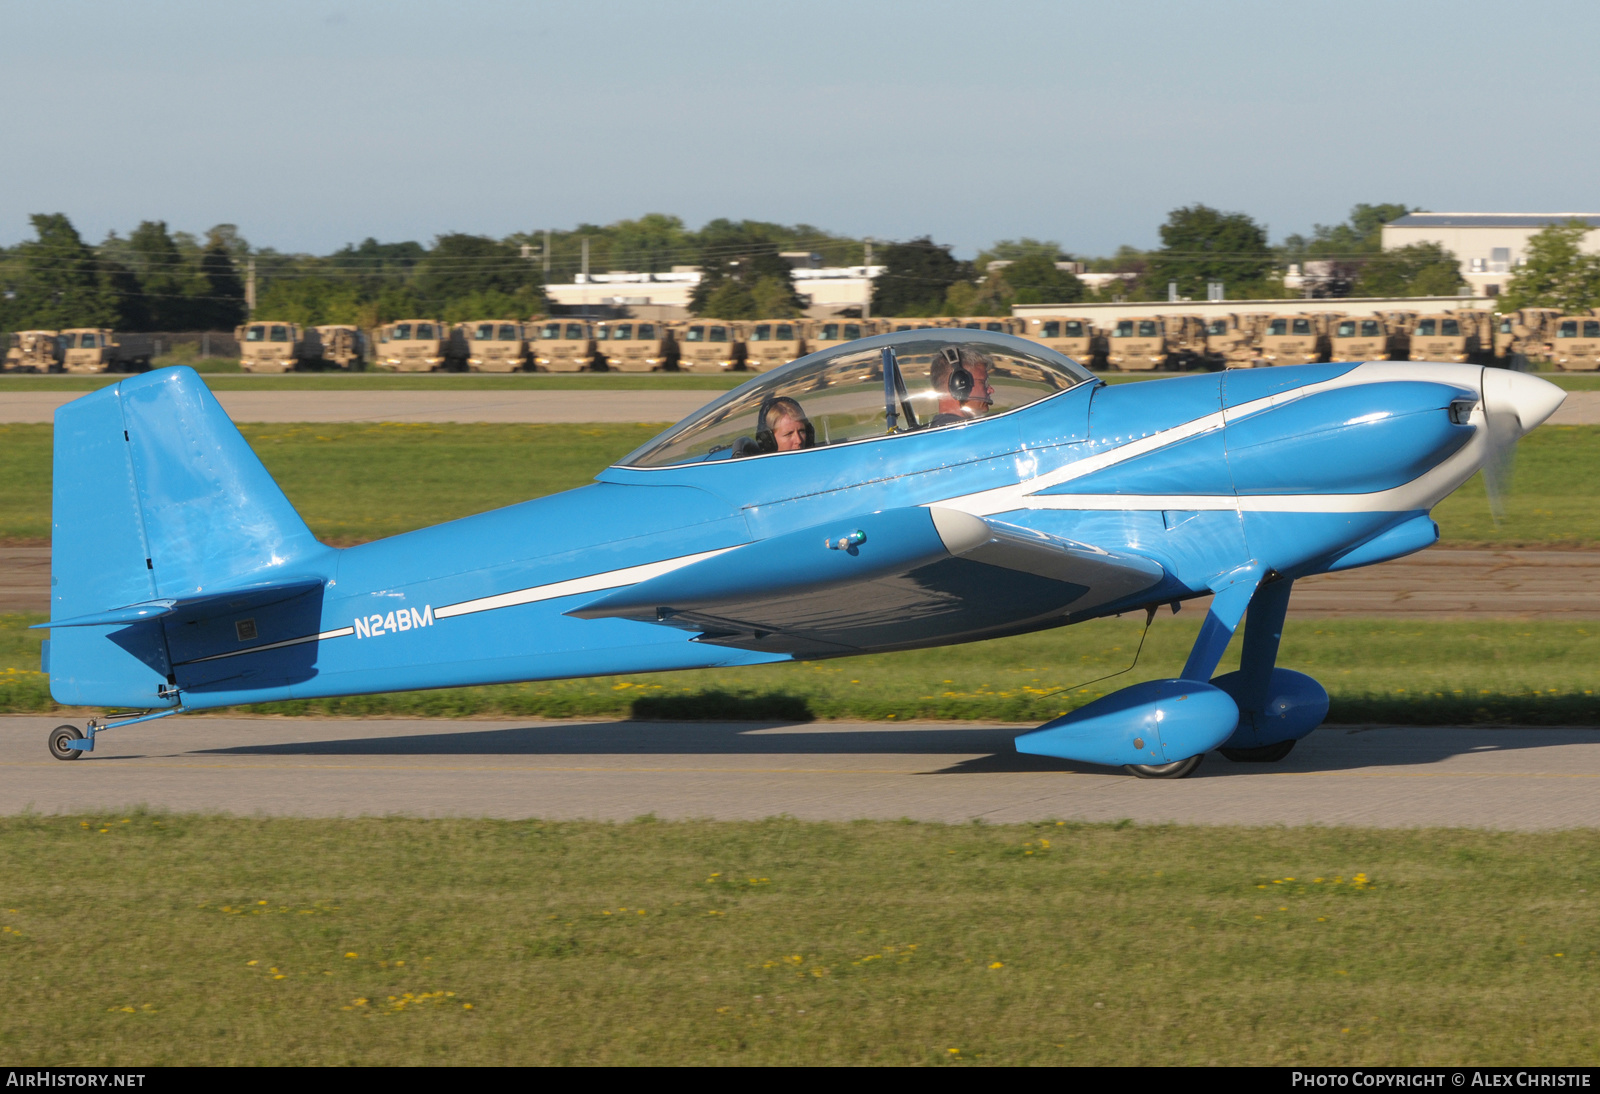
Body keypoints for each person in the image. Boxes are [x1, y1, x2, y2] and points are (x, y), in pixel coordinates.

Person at [929, 345, 995, 426]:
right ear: (960, 385)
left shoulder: (941, 430)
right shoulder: (961, 434)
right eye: (983, 382)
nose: (991, 390)